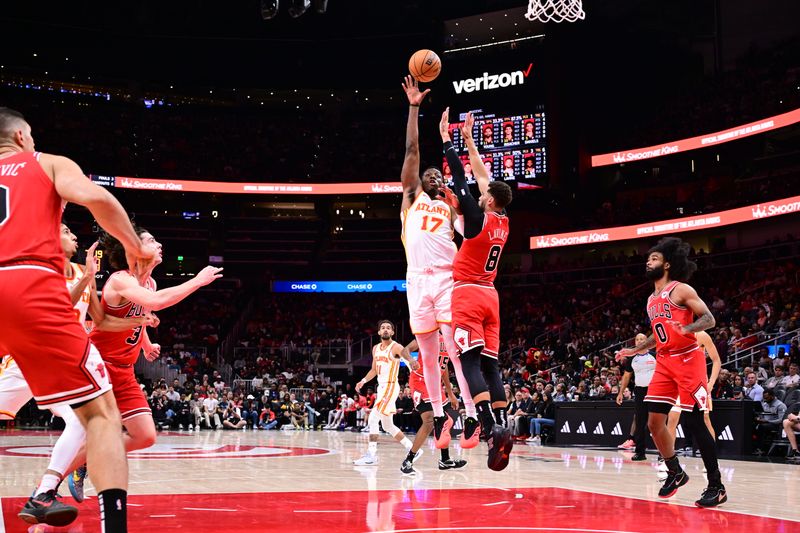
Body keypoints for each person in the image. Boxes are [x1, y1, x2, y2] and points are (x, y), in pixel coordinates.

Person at [0, 107, 155, 532]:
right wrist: (132, 245)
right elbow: (99, 199)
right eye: (30, 134)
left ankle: (46, 491)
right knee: (101, 416)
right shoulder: (44, 161)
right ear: (20, 138)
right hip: (25, 281)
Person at [2, 224, 149, 526]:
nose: (74, 236)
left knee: (85, 421)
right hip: (26, 359)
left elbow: (101, 322)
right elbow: (54, 311)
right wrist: (85, 280)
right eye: (66, 231)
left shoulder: (83, 270)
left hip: (60, 362)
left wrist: (141, 322)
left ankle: (43, 493)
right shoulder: (40, 268)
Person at [616, 236, 726, 508]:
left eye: (653, 259)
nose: (648, 262)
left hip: (689, 360)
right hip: (664, 362)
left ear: (666, 264)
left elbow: (709, 319)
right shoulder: (651, 300)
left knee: (696, 423)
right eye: (648, 259)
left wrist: (687, 329)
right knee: (654, 423)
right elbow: (658, 335)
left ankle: (717, 485)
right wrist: (634, 349)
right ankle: (675, 471)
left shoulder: (680, 289)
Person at [399, 76, 478, 450]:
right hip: (416, 282)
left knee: (456, 350)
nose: (432, 175)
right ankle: (441, 410)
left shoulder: (451, 206)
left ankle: (473, 415)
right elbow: (412, 150)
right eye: (428, 173)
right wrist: (414, 108)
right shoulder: (412, 196)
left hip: (447, 279)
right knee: (428, 356)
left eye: (438, 174)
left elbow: (474, 233)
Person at [440, 109, 514, 471]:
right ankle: (503, 424)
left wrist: (448, 140)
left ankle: (487, 427)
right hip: (491, 297)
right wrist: (470, 140)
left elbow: (461, 178)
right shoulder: (503, 220)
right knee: (492, 366)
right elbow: (483, 178)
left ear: (488, 199)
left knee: (468, 364)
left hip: (468, 293)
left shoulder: (475, 218)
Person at [353, 320, 418, 465]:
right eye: (383, 328)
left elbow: (407, 357)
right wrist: (363, 381)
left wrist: (412, 367)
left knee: (372, 419)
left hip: (390, 386)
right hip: (381, 388)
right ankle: (414, 449)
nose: (386, 330)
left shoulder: (396, 347)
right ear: (379, 332)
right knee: (388, 425)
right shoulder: (376, 348)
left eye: (389, 328)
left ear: (393, 332)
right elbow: (374, 370)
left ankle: (371, 455)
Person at [400, 336, 468, 475]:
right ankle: (408, 460)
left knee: (444, 421)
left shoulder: (449, 340)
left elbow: (444, 367)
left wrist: (450, 393)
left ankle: (445, 459)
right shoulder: (425, 335)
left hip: (436, 383)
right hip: (420, 380)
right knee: (429, 420)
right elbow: (404, 350)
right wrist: (411, 360)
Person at [615, 333, 657, 461]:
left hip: (655, 390)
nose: (639, 341)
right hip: (640, 391)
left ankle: (663, 452)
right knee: (640, 422)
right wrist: (621, 392)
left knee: (656, 422)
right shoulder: (631, 358)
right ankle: (640, 452)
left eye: (642, 339)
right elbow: (626, 376)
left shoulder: (655, 355)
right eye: (637, 339)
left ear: (647, 341)